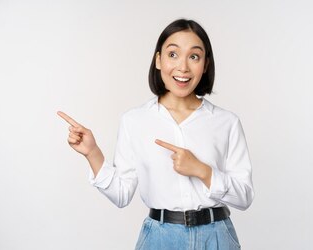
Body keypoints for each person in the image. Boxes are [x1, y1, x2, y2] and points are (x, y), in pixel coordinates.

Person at [57, 19, 254, 250]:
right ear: (158, 60)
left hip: (217, 237)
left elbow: (244, 198)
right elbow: (121, 195)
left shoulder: (226, 122)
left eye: (194, 56)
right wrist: (92, 153)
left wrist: (202, 170)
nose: (183, 67)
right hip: (160, 239)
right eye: (173, 54)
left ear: (205, 64)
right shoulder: (134, 120)